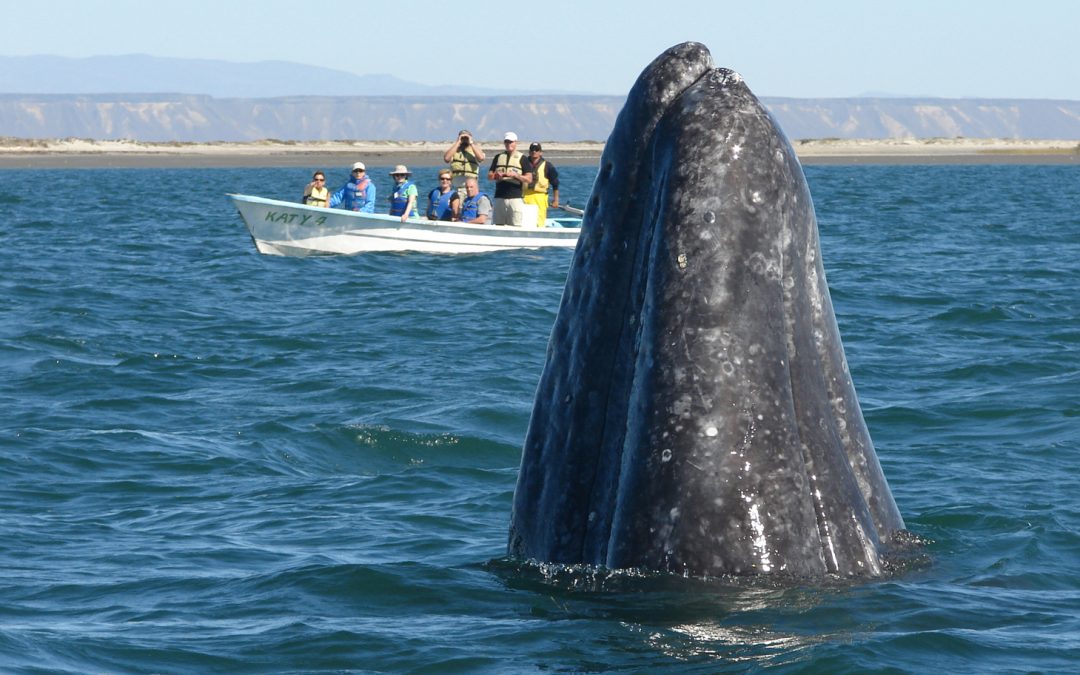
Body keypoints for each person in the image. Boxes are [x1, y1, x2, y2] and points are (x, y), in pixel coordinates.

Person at [487, 131, 533, 227]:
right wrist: (496, 175)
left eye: (511, 142)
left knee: (515, 225)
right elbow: (489, 176)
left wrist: (516, 176)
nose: (508, 144)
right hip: (500, 196)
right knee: (498, 224)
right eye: (506, 142)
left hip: (515, 197)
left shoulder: (523, 158)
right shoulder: (498, 157)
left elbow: (529, 179)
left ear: (516, 142)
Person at [523, 142, 560, 226]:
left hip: (540, 198)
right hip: (525, 197)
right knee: (524, 222)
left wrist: (556, 200)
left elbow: (555, 184)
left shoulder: (548, 165)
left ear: (540, 152)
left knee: (539, 223)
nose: (534, 152)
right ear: (529, 152)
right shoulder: (523, 163)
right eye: (532, 150)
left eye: (536, 150)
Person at [443, 129, 485, 197]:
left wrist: (471, 143)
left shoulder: (475, 151)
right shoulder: (454, 152)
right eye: (463, 138)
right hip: (457, 188)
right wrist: (458, 142)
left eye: (466, 138)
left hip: (472, 189)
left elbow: (481, 158)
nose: (464, 140)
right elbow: (446, 158)